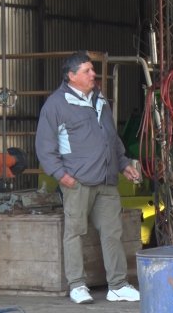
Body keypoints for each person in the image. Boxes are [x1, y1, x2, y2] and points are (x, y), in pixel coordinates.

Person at [35, 51, 141, 304]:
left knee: (112, 233)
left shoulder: (99, 99)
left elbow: (111, 136)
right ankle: (77, 285)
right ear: (71, 76)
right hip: (77, 182)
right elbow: (44, 147)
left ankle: (117, 285)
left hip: (106, 180)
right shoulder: (56, 105)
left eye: (92, 69)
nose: (93, 74)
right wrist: (61, 175)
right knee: (75, 233)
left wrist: (123, 164)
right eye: (87, 71)